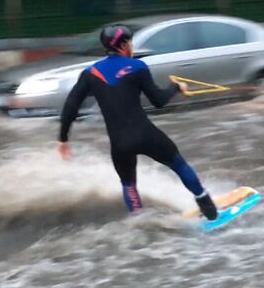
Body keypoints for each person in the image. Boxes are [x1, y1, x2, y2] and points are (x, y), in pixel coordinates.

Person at [56, 25, 218, 220]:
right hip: (146, 135)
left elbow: (71, 105)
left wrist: (63, 139)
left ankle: (141, 223)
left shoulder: (90, 73)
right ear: (123, 45)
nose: (132, 46)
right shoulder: (138, 67)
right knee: (179, 165)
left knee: (128, 184)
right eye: (130, 42)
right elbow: (159, 101)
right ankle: (209, 208)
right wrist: (176, 87)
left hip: (120, 143)